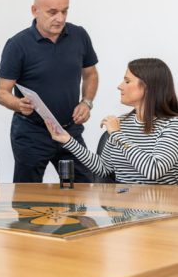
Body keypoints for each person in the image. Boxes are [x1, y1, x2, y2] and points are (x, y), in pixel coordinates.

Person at [0, 0, 99, 183]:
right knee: (27, 194)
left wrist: (86, 102)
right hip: (32, 132)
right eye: (52, 12)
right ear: (35, 10)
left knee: (83, 189)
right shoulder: (17, 45)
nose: (60, 18)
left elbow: (91, 74)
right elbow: (2, 92)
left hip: (69, 130)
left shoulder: (79, 35)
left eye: (64, 11)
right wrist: (17, 104)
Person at [46, 58, 178, 184]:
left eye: (127, 81)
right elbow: (104, 168)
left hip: (159, 199)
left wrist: (117, 134)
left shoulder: (172, 125)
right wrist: (68, 140)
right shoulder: (121, 122)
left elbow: (154, 170)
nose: (120, 86)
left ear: (147, 87)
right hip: (122, 198)